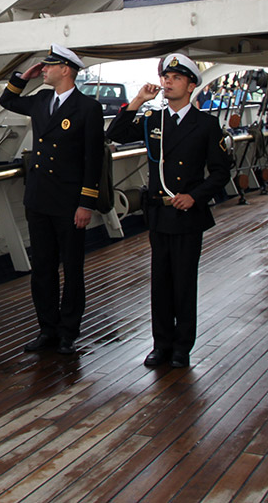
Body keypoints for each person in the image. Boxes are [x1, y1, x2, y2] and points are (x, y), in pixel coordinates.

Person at [106, 53, 230, 368]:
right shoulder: (153, 120)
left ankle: (181, 347)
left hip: (187, 215)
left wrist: (195, 196)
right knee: (160, 283)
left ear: (190, 85)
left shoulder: (206, 125)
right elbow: (116, 134)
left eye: (175, 78)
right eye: (165, 78)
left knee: (184, 283)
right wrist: (137, 99)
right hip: (159, 214)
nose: (167, 82)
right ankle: (160, 344)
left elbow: (220, 173)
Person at [0, 44, 103, 355]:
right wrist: (23, 77)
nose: (43, 70)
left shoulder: (87, 109)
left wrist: (86, 203)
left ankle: (68, 332)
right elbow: (8, 100)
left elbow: (93, 159)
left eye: (48, 66)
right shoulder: (42, 99)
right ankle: (47, 329)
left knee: (72, 268)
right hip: (40, 199)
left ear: (65, 70)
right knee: (42, 268)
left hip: (70, 203)